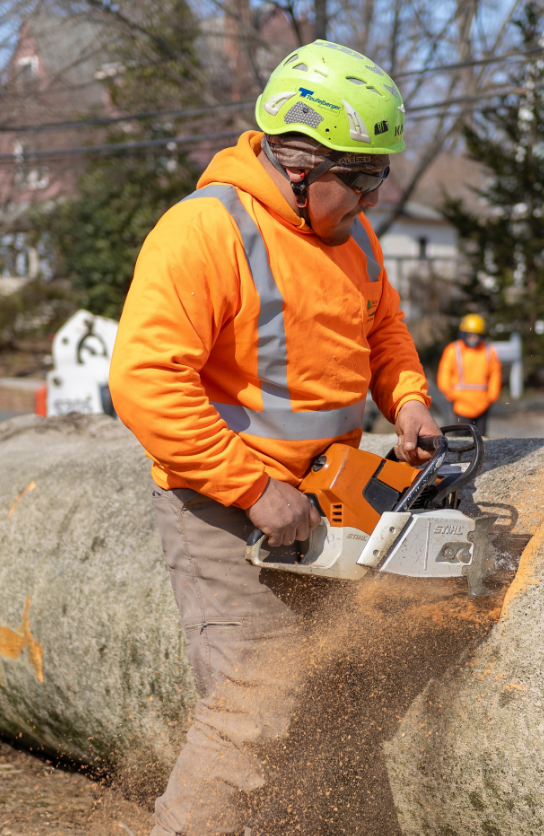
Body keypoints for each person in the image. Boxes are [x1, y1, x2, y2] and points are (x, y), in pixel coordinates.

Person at [109, 40, 440, 836]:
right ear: (298, 160)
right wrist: (255, 490)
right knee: (254, 703)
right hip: (223, 509)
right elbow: (144, 381)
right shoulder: (206, 230)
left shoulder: (354, 238)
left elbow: (383, 332)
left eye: (378, 176)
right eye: (358, 178)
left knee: (334, 705)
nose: (370, 197)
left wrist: (408, 402)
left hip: (325, 505)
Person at [437, 314, 502, 437]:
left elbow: (495, 374)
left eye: (476, 335)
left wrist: (492, 396)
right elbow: (444, 375)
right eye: (470, 335)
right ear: (464, 334)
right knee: (461, 440)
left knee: (481, 438)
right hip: (461, 406)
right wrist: (452, 394)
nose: (473, 338)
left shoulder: (489, 351)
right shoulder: (453, 350)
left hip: (483, 404)